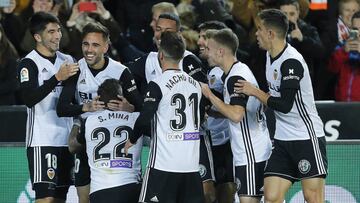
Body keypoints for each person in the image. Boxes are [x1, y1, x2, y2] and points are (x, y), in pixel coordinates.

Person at [236, 9, 328, 203]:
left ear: (271, 33)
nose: (256, 33)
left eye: (259, 29)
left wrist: (254, 91)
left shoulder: (291, 62)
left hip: (306, 137)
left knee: (313, 198)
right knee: (271, 196)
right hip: (283, 139)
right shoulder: (270, 56)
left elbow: (285, 105)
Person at [126, 13, 215, 202]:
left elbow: (145, 117)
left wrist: (132, 139)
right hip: (190, 165)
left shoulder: (157, 84)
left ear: (161, 55)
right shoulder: (195, 84)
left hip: (163, 164)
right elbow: (201, 113)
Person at [57, 22, 142, 203]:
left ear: (105, 47)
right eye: (85, 44)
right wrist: (84, 107)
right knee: (84, 198)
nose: (89, 50)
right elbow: (61, 108)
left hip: (115, 143)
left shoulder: (121, 72)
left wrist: (130, 108)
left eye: (95, 45)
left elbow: (141, 107)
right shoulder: (76, 70)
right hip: (86, 140)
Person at [201, 28, 272, 203]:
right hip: (257, 149)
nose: (206, 53)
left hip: (250, 154)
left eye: (209, 49)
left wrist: (210, 95)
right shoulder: (238, 71)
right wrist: (212, 111)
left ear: (220, 51)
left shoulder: (235, 77)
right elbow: (237, 110)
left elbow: (236, 115)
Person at [16, 11, 79, 203]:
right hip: (42, 141)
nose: (57, 35)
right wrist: (57, 78)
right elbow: (28, 98)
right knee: (45, 199)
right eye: (51, 32)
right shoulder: (28, 63)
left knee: (60, 198)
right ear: (37, 37)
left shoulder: (67, 60)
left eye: (58, 30)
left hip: (66, 141)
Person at [69, 78, 143, 203]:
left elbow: (72, 147)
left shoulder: (89, 122)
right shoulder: (137, 118)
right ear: (122, 98)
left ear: (98, 99)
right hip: (130, 188)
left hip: (100, 191)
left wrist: (77, 122)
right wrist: (132, 108)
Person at [197, 21, 237, 203]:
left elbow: (234, 110)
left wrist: (209, 109)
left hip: (224, 142)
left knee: (226, 188)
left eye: (205, 38)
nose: (200, 42)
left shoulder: (222, 72)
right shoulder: (202, 67)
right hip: (208, 141)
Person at [328, 11, 360, 101]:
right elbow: (332, 69)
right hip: (343, 104)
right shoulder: (342, 47)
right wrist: (343, 52)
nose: (358, 33)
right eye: (355, 29)